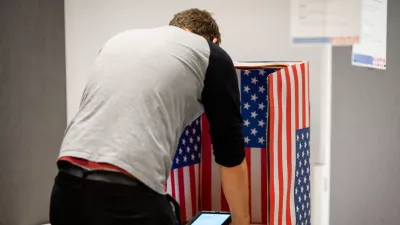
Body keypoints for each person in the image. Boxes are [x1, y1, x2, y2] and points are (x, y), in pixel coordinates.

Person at [49, 8, 250, 225]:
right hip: (127, 195)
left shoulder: (119, 40)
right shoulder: (211, 53)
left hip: (65, 187)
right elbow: (230, 151)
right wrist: (242, 220)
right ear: (214, 40)